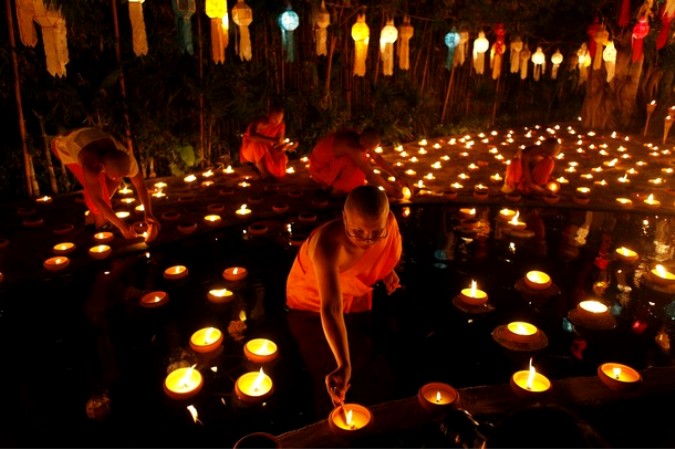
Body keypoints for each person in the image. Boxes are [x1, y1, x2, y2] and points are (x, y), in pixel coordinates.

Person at [285, 185, 403, 418]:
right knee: (325, 363)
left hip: (351, 292)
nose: (368, 241)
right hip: (312, 299)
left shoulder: (386, 224)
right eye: (357, 232)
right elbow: (330, 307)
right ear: (344, 218)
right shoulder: (327, 246)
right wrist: (343, 363)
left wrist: (386, 270)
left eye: (376, 233)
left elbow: (381, 250)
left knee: (367, 352)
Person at [51, 126, 159, 239]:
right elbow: (98, 199)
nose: (117, 180)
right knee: (99, 197)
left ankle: (94, 214)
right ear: (101, 167)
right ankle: (100, 227)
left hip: (89, 136)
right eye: (113, 177)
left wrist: (148, 212)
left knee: (106, 193)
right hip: (63, 146)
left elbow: (141, 185)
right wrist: (121, 226)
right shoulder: (90, 163)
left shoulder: (127, 158)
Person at [309, 127, 406, 197]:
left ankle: (342, 185)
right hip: (320, 168)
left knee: (361, 158)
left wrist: (397, 176)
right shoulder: (352, 147)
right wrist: (391, 190)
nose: (370, 151)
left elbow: (377, 157)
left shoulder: (360, 139)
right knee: (356, 163)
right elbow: (369, 174)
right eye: (369, 149)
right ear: (363, 143)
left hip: (330, 162)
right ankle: (338, 189)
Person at [239, 103, 295, 180]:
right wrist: (272, 140)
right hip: (250, 150)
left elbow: (278, 143)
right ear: (268, 115)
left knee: (282, 157)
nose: (277, 122)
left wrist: (286, 147)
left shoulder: (281, 125)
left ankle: (269, 171)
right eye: (274, 118)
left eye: (280, 119)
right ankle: (264, 173)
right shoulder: (260, 122)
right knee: (258, 143)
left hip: (267, 150)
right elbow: (252, 136)